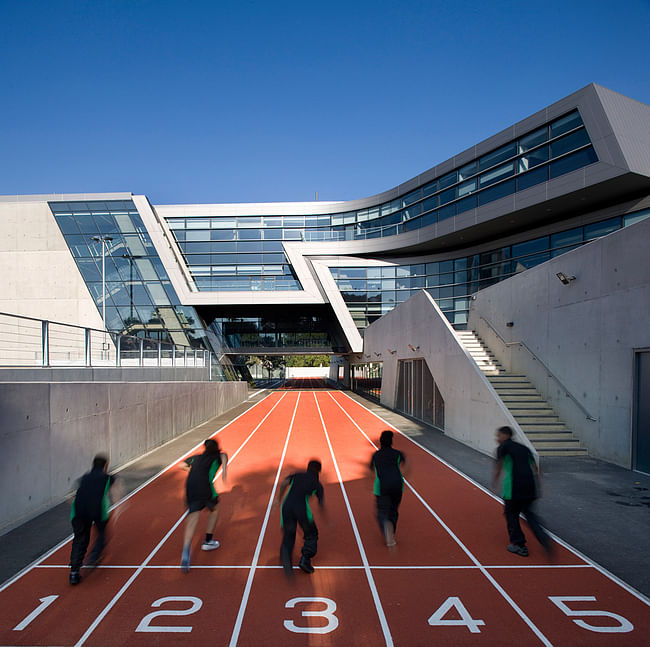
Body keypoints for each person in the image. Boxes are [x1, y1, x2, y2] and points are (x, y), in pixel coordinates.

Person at [492, 425, 551, 557]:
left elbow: (499, 466)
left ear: (506, 435)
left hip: (514, 487)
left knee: (511, 514)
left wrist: (494, 483)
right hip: (530, 487)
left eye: (499, 435)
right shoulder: (525, 448)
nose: (497, 438)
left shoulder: (503, 448)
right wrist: (540, 485)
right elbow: (536, 468)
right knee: (529, 514)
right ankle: (543, 537)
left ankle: (519, 545)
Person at [69, 454, 118, 585]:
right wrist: (118, 507)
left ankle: (74, 572)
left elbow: (73, 495)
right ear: (105, 465)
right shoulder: (108, 478)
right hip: (96, 509)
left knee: (79, 539)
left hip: (78, 510)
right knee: (101, 533)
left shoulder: (84, 477)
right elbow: (115, 492)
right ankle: (94, 556)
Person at [180, 438, 228, 572]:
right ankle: (208, 541)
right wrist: (224, 471)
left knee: (192, 518)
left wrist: (193, 471)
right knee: (215, 510)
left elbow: (180, 465)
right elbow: (224, 457)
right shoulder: (218, 456)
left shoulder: (196, 457)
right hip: (205, 487)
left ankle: (186, 551)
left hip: (191, 487)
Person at [276, 460, 324, 575]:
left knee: (289, 533)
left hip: (286, 506)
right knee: (312, 534)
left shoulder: (297, 475)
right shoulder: (317, 484)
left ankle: (286, 556)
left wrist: (278, 499)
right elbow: (321, 503)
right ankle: (305, 559)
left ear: (307, 468)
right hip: (301, 509)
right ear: (319, 471)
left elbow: (284, 483)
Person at [370, 430, 406, 547]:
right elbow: (406, 466)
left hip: (382, 487)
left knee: (382, 512)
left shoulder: (376, 456)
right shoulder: (398, 454)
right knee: (394, 511)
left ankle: (386, 526)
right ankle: (391, 531)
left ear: (380, 442)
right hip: (397, 486)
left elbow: (370, 470)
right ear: (392, 442)